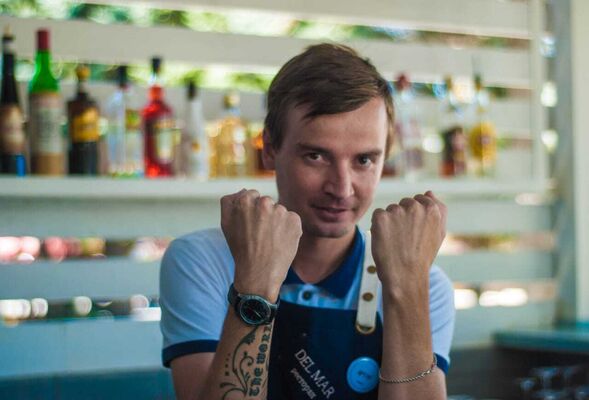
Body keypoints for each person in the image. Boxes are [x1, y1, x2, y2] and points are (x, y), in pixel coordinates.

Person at [159, 43, 455, 400]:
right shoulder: (201, 260)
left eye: (364, 160)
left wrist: (406, 287)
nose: (341, 188)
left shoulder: (426, 285)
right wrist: (256, 282)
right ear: (270, 148)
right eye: (316, 156)